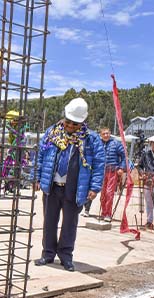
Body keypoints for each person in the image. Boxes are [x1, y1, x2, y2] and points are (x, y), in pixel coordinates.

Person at [34, 98, 105, 272]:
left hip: (75, 188)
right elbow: (40, 156)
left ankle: (66, 256)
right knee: (49, 221)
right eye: (68, 122)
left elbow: (99, 164)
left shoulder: (91, 139)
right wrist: (36, 176)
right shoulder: (52, 133)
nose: (70, 126)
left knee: (70, 224)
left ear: (82, 122)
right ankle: (48, 253)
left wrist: (95, 188)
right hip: (52, 186)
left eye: (75, 124)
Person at [83, 127, 127, 221]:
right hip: (100, 171)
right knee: (102, 194)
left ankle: (108, 213)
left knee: (109, 193)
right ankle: (103, 212)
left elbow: (124, 156)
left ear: (110, 133)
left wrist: (121, 168)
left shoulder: (116, 143)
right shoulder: (98, 144)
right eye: (104, 134)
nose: (106, 135)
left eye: (107, 133)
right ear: (101, 135)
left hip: (112, 171)